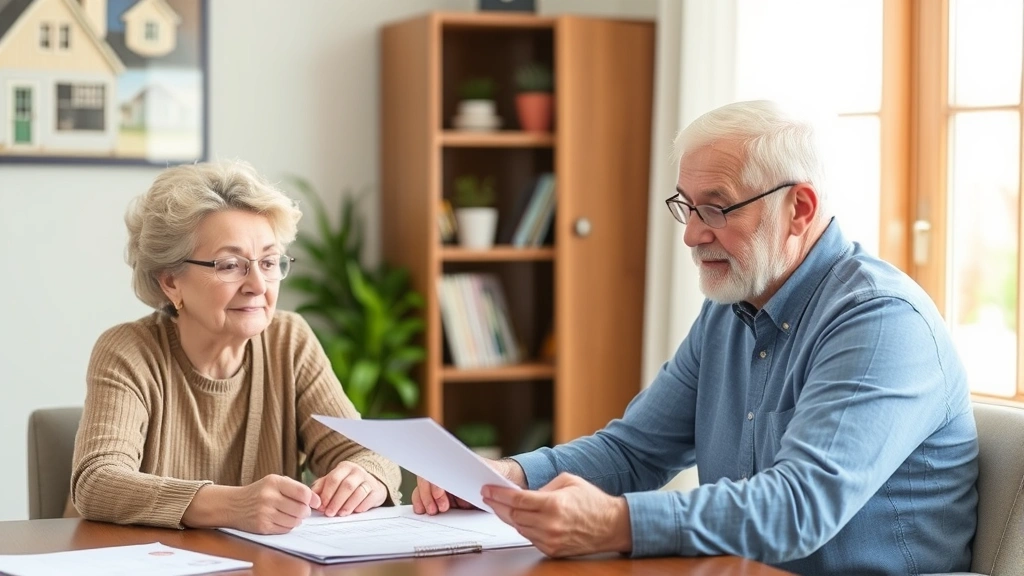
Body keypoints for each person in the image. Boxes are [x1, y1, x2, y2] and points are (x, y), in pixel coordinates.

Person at [412, 100, 978, 574]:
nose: (692, 235)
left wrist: (616, 521)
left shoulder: (880, 321)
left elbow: (798, 507)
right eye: (686, 206)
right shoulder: (731, 310)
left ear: (799, 208)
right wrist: (505, 480)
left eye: (715, 208)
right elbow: (634, 451)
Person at [71, 160, 401, 534]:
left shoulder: (289, 340)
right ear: (170, 282)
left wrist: (365, 478)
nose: (259, 285)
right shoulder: (129, 351)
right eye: (230, 265)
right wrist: (234, 505)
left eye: (269, 261)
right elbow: (97, 482)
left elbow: (370, 455)